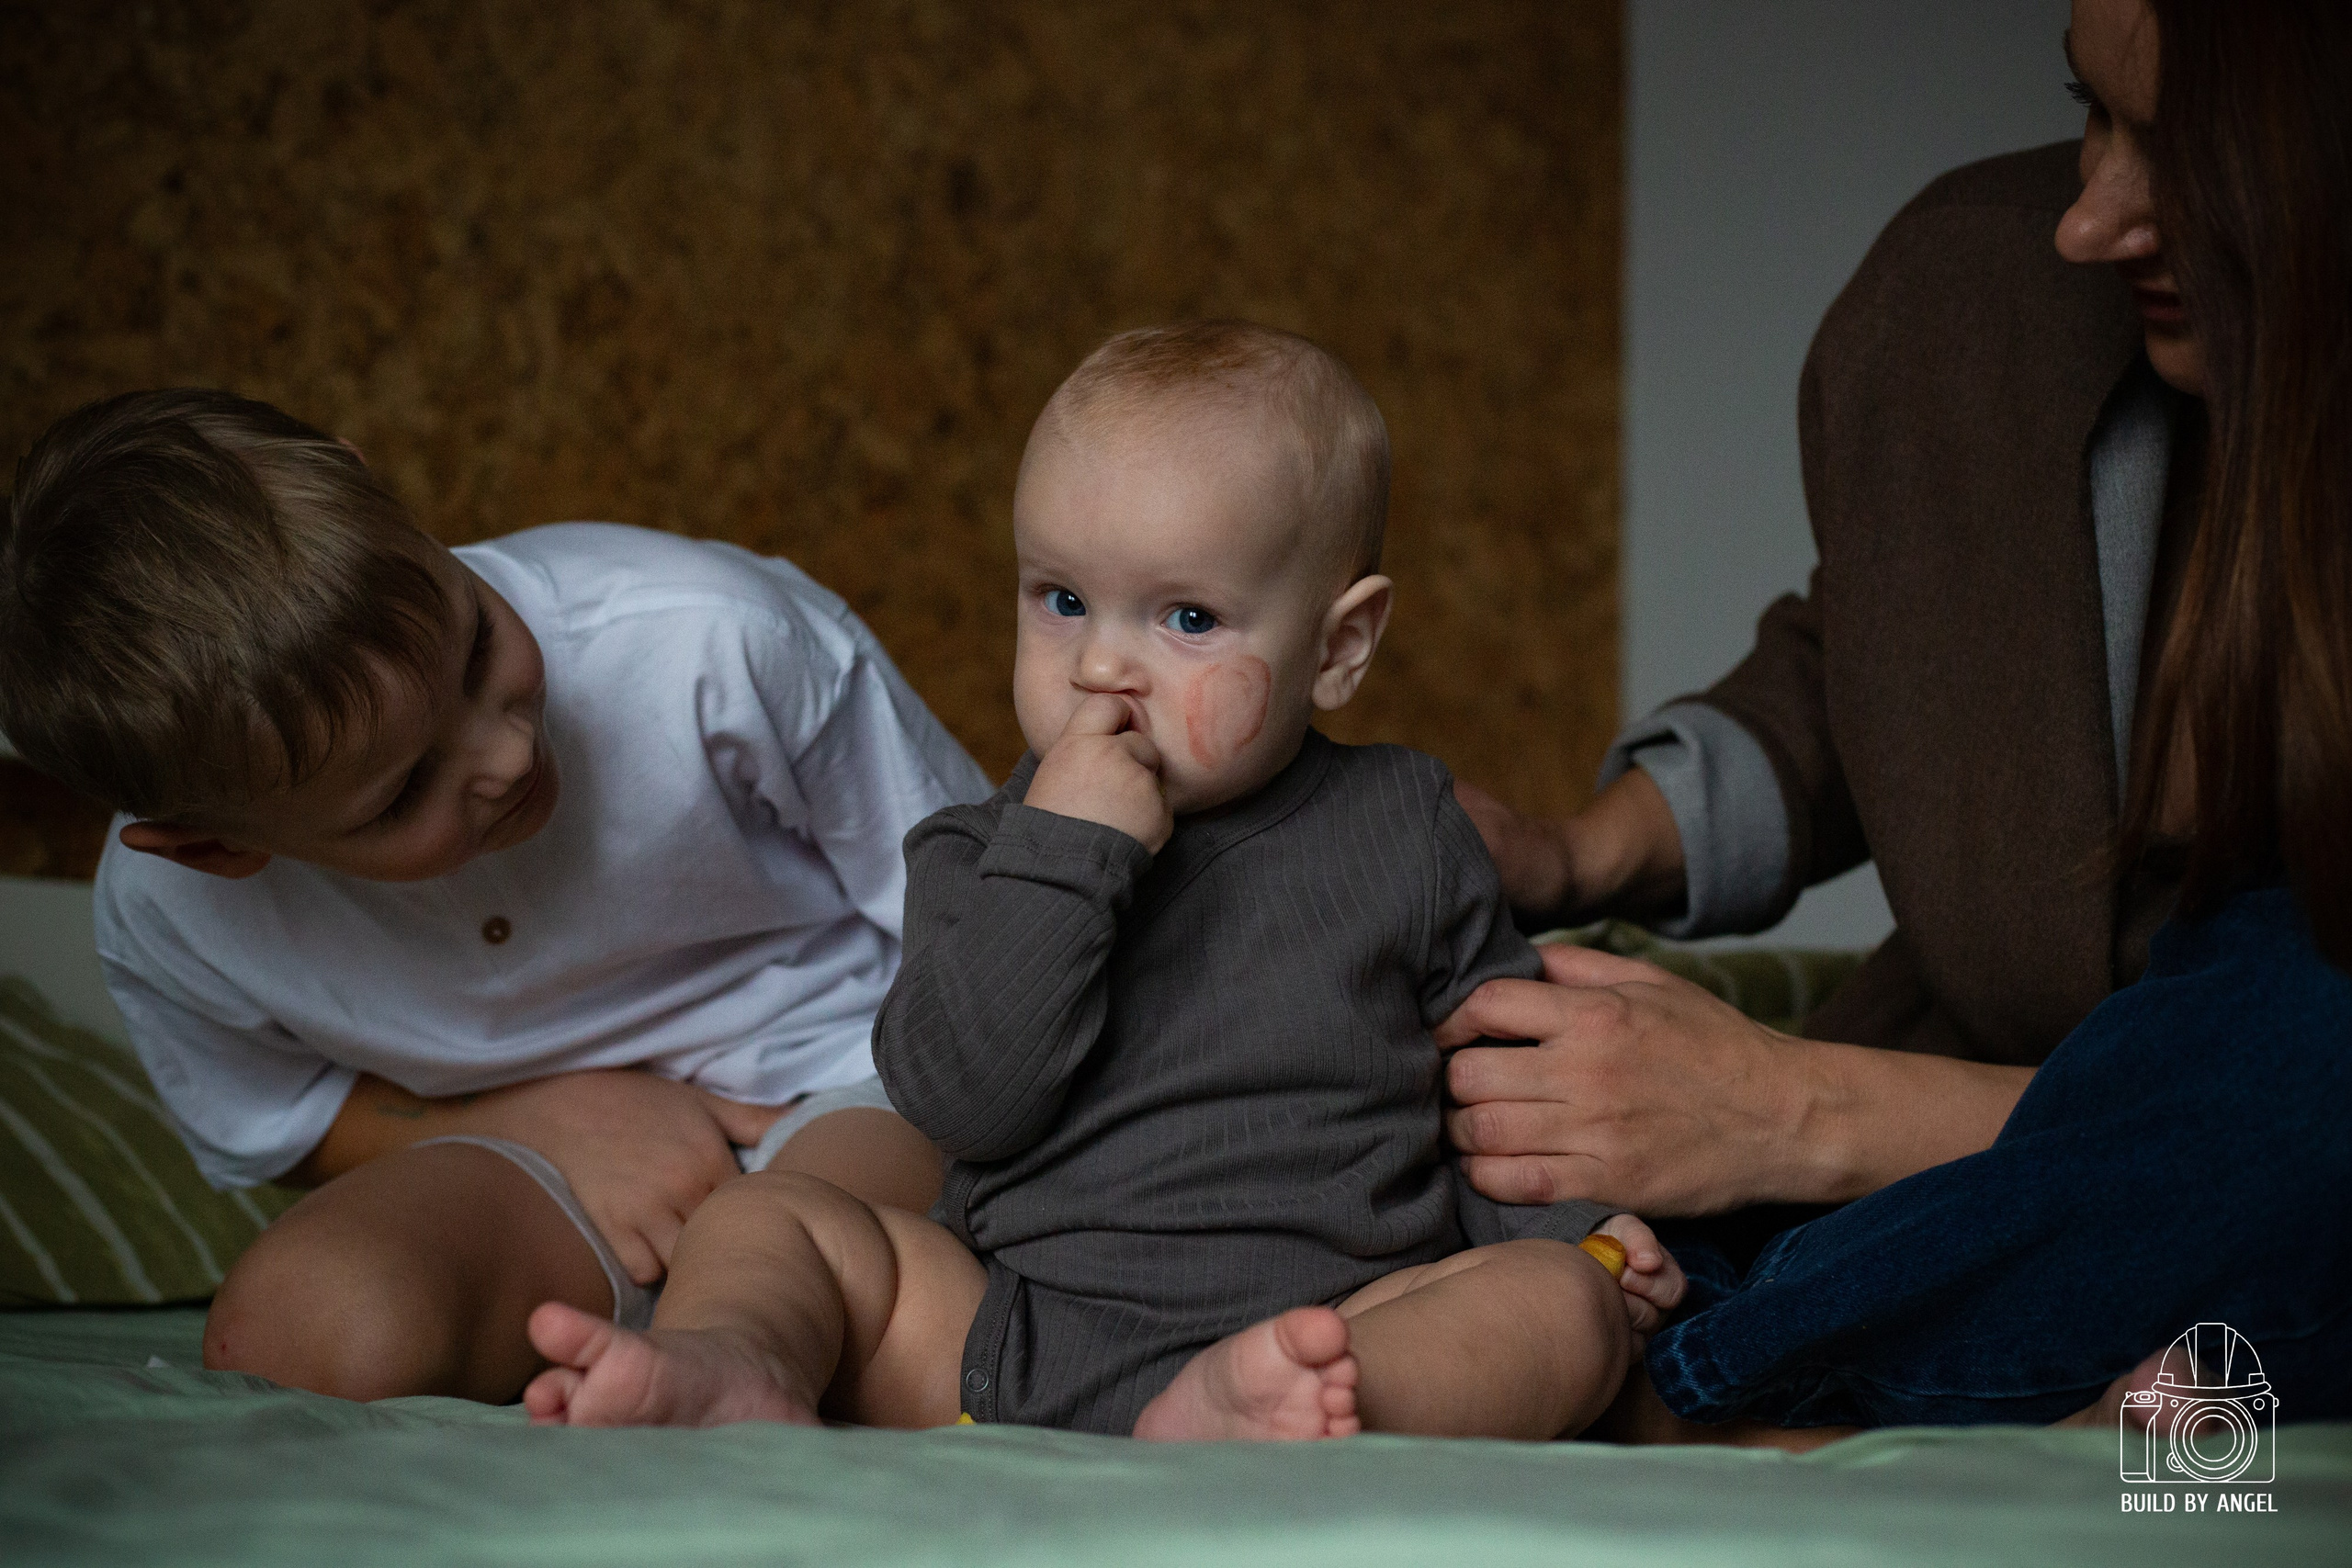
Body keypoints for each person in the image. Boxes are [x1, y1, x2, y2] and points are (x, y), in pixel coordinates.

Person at [521, 321, 1682, 1440]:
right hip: (1009, 1337)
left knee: (1558, 1306)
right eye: (1061, 600)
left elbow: (1497, 1080)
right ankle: (736, 1364)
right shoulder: (979, 849)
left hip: (1332, 1330)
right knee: (773, 1217)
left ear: (1336, 650)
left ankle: (1273, 1420)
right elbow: (959, 1102)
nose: (1100, 665)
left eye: (1187, 618)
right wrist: (1067, 856)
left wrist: (1576, 1228)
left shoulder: (1409, 826)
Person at [1448, 0, 2351, 1429]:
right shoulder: (1970, 299)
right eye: (2090, 114)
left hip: (2198, 1137)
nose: (2090, 220)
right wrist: (1575, 852)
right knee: (1551, 1249)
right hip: (1924, 1204)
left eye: (2183, 154)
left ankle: (1716, 1399)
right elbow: (1876, 657)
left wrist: (1787, 1106)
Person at [0, 389, 989, 1402]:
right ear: (218, 848)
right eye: (404, 794)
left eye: (475, 649)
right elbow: (279, 1125)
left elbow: (989, 936)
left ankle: (716, 1377)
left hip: (836, 1081)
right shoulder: (168, 913)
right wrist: (544, 1123)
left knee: (779, 1271)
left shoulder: (718, 639)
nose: (510, 751)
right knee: (290, 1327)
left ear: (375, 488)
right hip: (527, 1157)